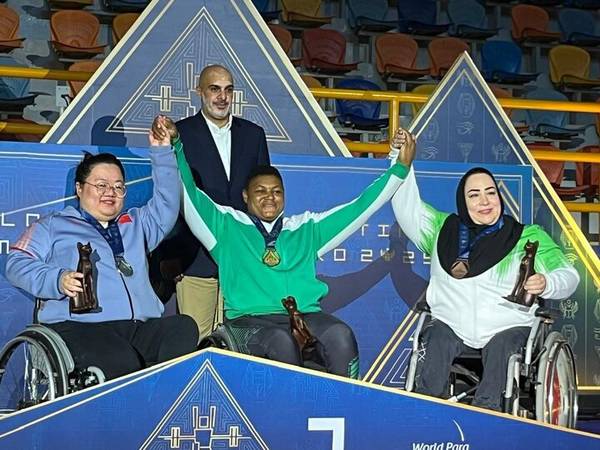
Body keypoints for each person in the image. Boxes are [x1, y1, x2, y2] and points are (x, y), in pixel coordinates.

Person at [153, 116, 416, 378]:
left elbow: (360, 207)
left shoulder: (306, 228)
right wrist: (175, 146)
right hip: (247, 322)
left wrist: (399, 169)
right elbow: (188, 193)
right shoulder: (226, 226)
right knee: (281, 341)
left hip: (303, 316)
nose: (270, 197)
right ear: (245, 196)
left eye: (277, 191)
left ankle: (345, 402)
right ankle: (290, 405)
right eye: (261, 191)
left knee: (341, 335)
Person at [388, 129, 580, 411]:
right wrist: (400, 158)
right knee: (436, 337)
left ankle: (485, 416)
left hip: (507, 326)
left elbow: (569, 276)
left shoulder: (527, 237)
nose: (485, 201)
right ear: (463, 201)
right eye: (474, 195)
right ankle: (426, 413)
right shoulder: (442, 230)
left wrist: (547, 282)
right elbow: (407, 206)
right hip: (451, 324)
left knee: (503, 345)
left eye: (491, 193)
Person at [5, 117, 199, 381]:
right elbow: (16, 262)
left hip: (137, 327)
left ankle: (163, 396)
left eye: (118, 187)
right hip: (80, 326)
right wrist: (57, 279)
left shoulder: (137, 223)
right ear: (79, 188)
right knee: (122, 360)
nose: (110, 192)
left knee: (183, 327)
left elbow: (167, 202)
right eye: (101, 185)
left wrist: (162, 150)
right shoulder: (52, 225)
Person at [157, 64, 270, 341]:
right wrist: (173, 256)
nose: (222, 97)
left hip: (242, 263)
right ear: (199, 92)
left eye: (228, 90)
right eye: (214, 89)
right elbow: (169, 196)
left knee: (242, 345)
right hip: (194, 262)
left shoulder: (254, 135)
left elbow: (262, 198)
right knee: (196, 344)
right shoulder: (180, 134)